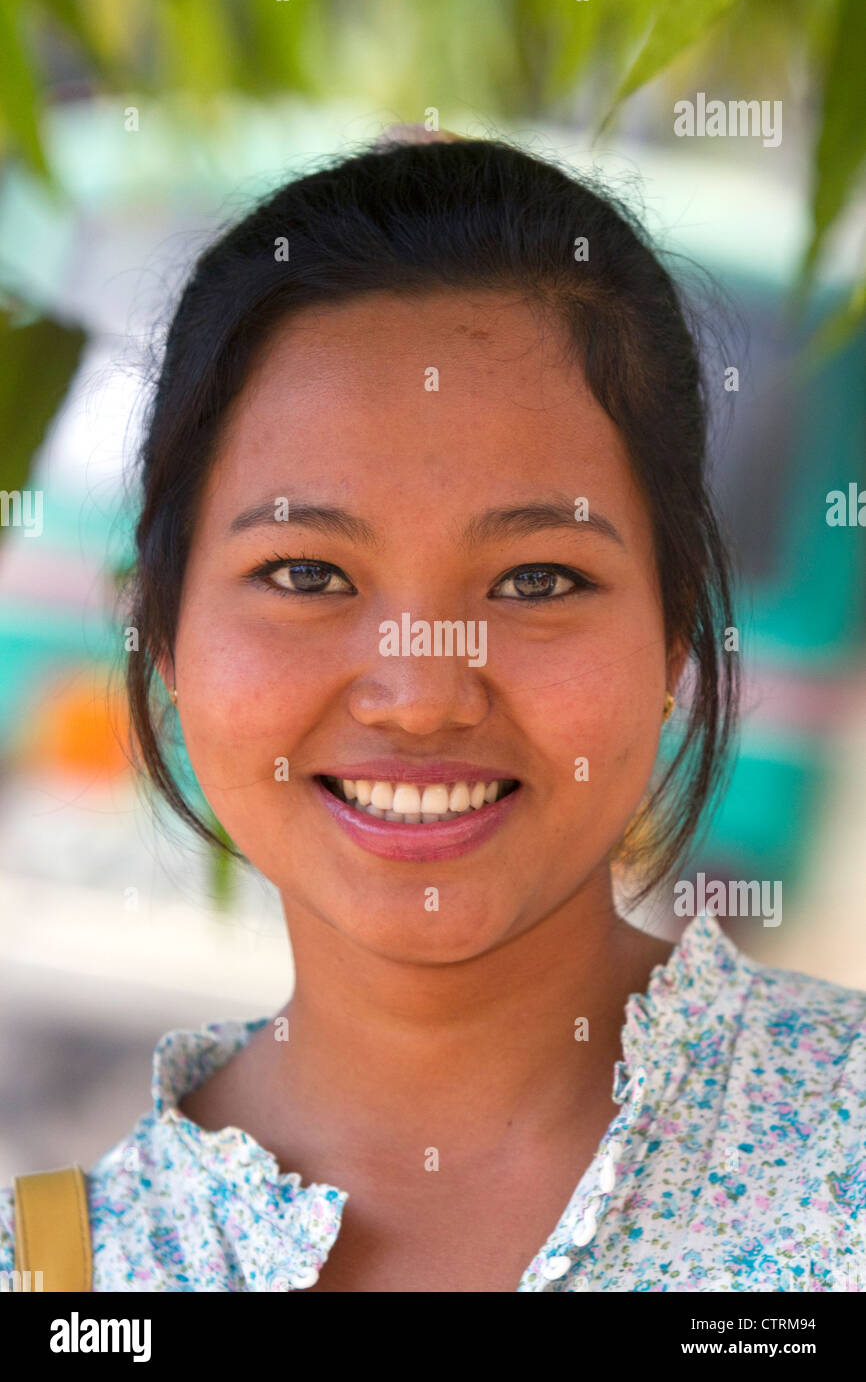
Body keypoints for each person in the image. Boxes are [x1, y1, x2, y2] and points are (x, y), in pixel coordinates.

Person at [2, 131, 864, 1293]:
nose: (418, 693)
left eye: (536, 580)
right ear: (163, 630)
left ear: (673, 636)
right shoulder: (70, 1280)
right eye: (306, 575)